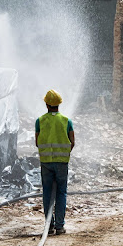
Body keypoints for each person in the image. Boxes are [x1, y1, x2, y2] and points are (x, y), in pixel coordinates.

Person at [35, 89, 75, 235]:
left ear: (46, 104)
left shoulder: (40, 121)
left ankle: (49, 226)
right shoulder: (66, 121)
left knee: (47, 193)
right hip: (62, 162)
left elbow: (37, 142)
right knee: (61, 192)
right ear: (59, 104)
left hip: (46, 162)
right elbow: (72, 142)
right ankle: (59, 226)